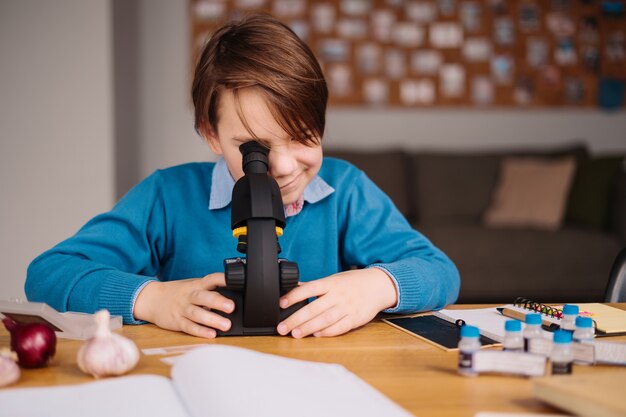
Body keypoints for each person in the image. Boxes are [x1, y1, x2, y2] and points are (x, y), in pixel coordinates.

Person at [26, 14, 459, 339]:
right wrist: (151, 298)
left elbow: (442, 272)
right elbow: (47, 275)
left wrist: (378, 285)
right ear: (212, 134)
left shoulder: (346, 192)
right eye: (256, 149)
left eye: (304, 136)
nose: (286, 167)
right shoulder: (167, 196)